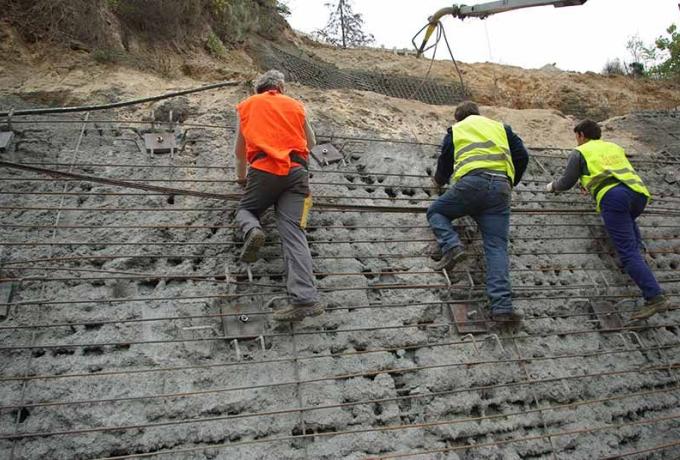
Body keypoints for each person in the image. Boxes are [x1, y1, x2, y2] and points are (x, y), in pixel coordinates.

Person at [546, 119, 670, 321]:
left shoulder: (581, 152)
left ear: (581, 136)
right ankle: (641, 262)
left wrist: (551, 187)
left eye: (576, 137)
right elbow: (609, 173)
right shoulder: (613, 147)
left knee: (627, 252)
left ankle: (654, 297)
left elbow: (567, 182)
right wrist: (590, 185)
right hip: (638, 195)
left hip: (614, 198)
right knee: (631, 238)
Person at [427, 101, 529, 322]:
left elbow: (445, 162)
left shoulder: (457, 130)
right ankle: (502, 308)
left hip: (472, 184)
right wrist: (511, 181)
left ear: (458, 118)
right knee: (496, 247)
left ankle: (452, 246)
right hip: (501, 189)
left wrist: (438, 182)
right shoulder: (502, 128)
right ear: (478, 114)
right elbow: (522, 156)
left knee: (436, 212)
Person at [234, 69, 322, 322]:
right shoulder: (295, 105)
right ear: (281, 87)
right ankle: (306, 299)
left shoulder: (248, 106)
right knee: (294, 233)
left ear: (257, 89)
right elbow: (312, 143)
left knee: (246, 210)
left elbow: (239, 152)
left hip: (263, 171)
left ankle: (253, 230)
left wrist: (242, 178)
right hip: (297, 173)